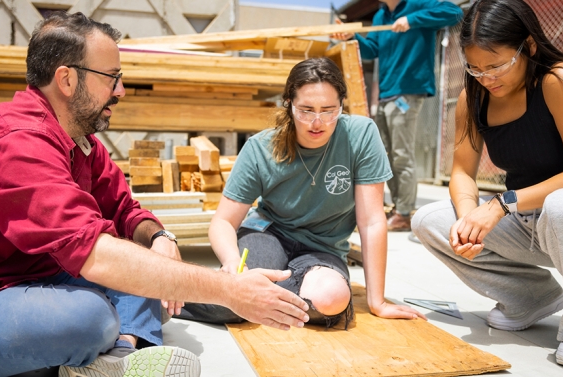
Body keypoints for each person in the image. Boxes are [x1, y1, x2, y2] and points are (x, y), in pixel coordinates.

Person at [0, 12, 311, 377]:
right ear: (67, 79)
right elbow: (94, 253)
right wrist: (230, 291)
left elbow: (125, 209)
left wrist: (160, 238)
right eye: (111, 76)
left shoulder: (77, 141)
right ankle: (100, 350)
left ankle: (121, 356)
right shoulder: (17, 142)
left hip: (15, 281)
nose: (121, 90)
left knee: (149, 277)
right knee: (89, 319)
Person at [177, 57, 426, 328]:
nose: (317, 122)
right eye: (306, 110)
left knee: (330, 299)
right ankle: (168, 292)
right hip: (269, 234)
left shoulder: (361, 135)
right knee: (235, 301)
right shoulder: (260, 148)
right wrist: (233, 262)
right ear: (289, 104)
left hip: (324, 247)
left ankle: (266, 297)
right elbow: (223, 221)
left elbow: (372, 221)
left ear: (342, 106)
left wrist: (377, 301)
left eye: (329, 111)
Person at [412, 0, 563, 371]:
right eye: (475, 68)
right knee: (429, 220)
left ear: (529, 46)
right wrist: (467, 221)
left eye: (497, 66)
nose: (486, 78)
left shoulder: (561, 79)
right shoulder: (473, 96)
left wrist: (501, 203)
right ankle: (530, 298)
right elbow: (461, 171)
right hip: (528, 222)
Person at [332, 0, 463, 231]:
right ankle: (396, 206)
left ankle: (404, 213)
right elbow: (372, 50)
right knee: (385, 155)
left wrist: (412, 20)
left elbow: (454, 12)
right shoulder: (381, 17)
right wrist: (352, 37)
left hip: (408, 92)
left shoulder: (418, 5)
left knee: (402, 155)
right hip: (385, 92)